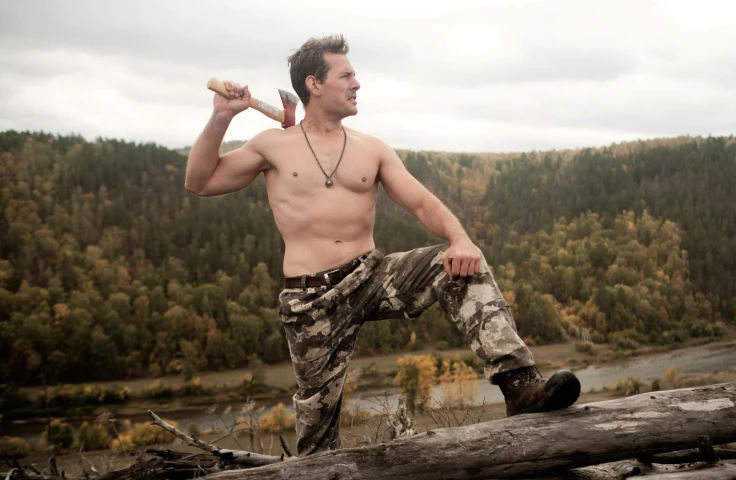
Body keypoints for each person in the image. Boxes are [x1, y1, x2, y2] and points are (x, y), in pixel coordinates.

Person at [185, 34, 581, 456]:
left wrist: (460, 238)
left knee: (460, 263)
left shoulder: (371, 148)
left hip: (371, 275)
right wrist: (222, 117)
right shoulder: (272, 144)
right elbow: (201, 181)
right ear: (313, 84)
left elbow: (421, 203)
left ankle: (519, 387)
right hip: (311, 297)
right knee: (318, 443)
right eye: (347, 75)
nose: (357, 84)